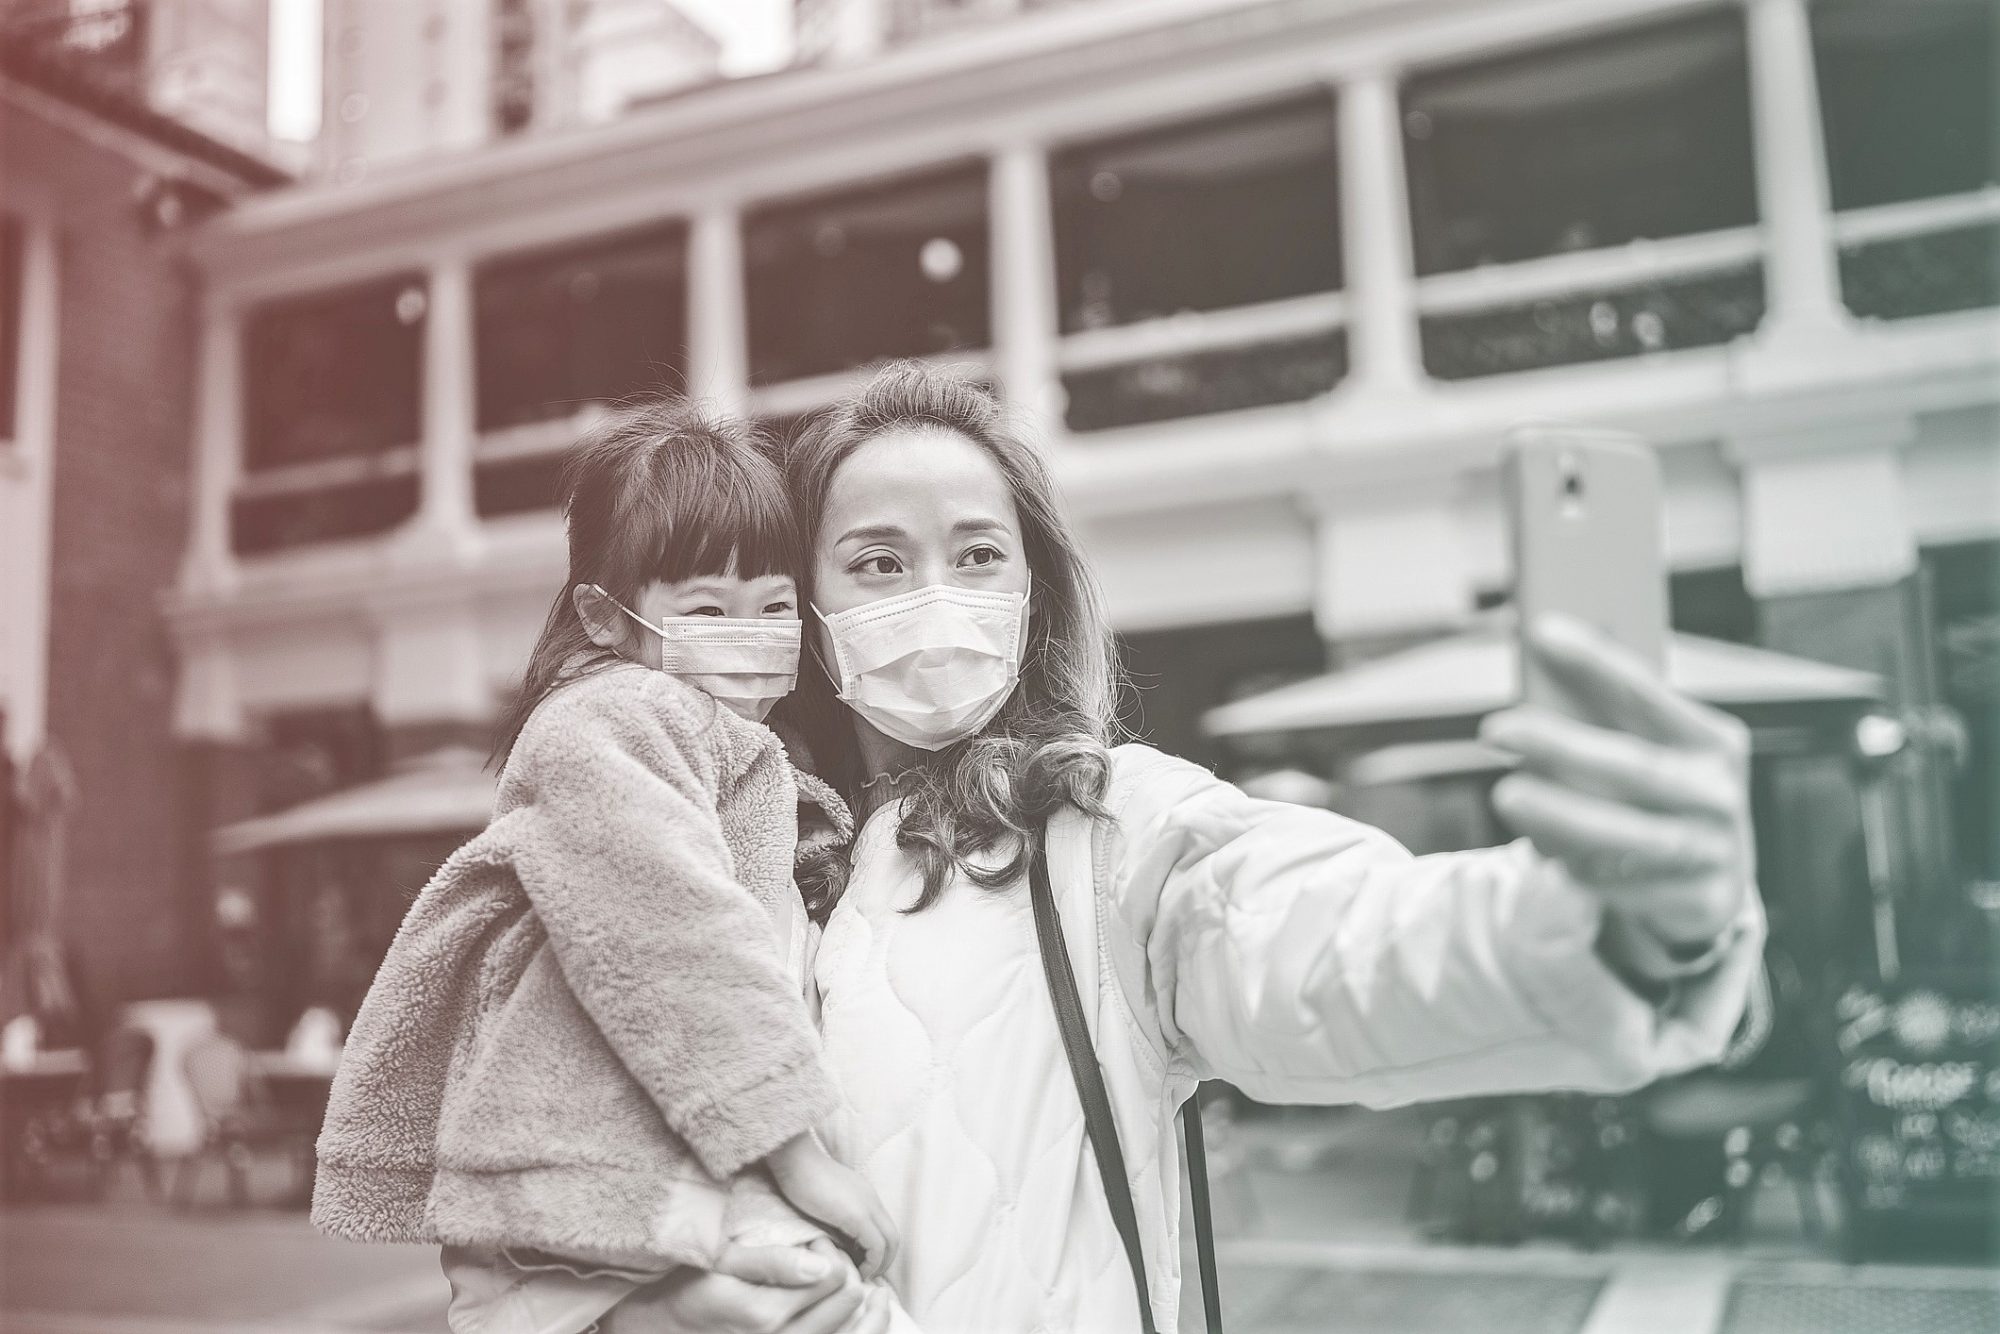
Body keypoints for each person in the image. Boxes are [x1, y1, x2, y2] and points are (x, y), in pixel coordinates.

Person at [619, 362, 1765, 1334]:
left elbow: (1338, 942)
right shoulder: (701, 864)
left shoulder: (1103, 828)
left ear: (1034, 589)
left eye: (976, 554)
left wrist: (1610, 923)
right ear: (800, 606)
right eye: (876, 561)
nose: (935, 595)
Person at [311, 401, 897, 1334]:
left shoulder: (746, 752)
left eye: (775, 607)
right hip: (595, 1191)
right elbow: (668, 927)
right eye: (707, 608)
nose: (747, 632)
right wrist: (797, 1149)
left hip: (624, 1197)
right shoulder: (610, 718)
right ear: (604, 616)